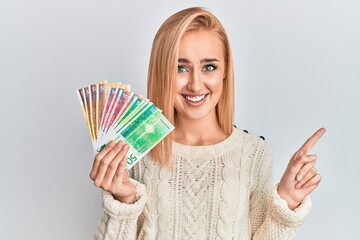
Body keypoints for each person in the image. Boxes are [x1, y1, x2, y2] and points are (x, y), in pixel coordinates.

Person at [90, 7, 326, 239]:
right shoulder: (135, 151)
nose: (195, 84)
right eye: (180, 67)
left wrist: (286, 203)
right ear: (162, 72)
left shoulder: (254, 154)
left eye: (209, 67)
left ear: (225, 70)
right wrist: (123, 205)